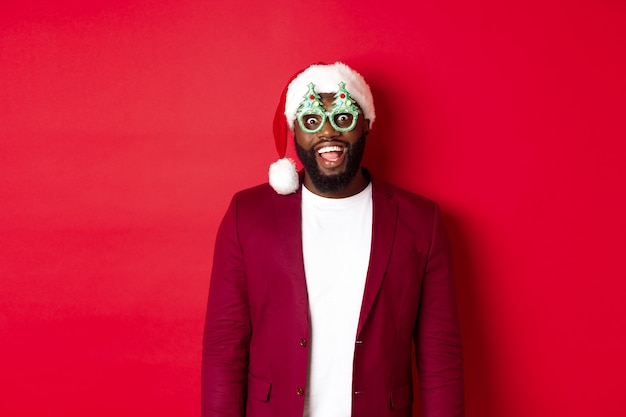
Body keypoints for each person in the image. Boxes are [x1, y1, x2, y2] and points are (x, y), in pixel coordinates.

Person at [201, 62, 464, 417]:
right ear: (295, 130)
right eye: (312, 121)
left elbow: (439, 353)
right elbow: (225, 345)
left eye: (343, 117)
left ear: (366, 124)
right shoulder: (247, 215)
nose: (328, 133)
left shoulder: (421, 221)